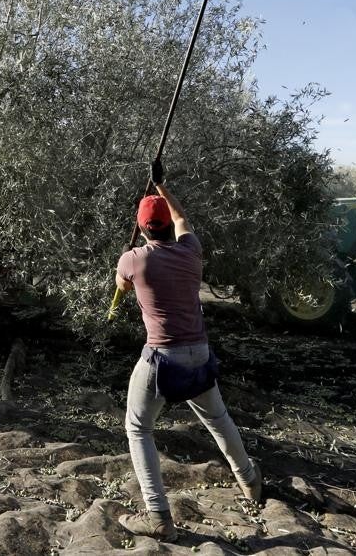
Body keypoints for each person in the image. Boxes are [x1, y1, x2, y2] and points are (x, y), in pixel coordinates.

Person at [114, 159, 261, 542]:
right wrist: (162, 187)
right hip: (200, 354)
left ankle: (158, 516)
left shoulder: (134, 259)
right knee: (219, 420)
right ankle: (250, 481)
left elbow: (121, 284)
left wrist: (128, 255)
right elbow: (182, 220)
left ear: (144, 227)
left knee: (138, 428)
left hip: (162, 359)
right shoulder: (191, 250)